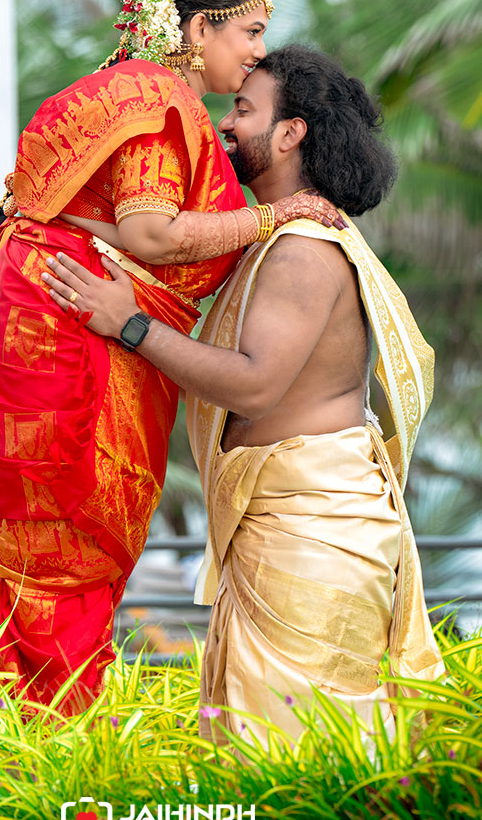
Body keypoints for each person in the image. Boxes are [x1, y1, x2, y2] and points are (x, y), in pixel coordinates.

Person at [0, 0, 340, 710]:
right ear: (198, 29)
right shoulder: (157, 102)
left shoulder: (135, 94)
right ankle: (49, 744)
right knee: (67, 544)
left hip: (34, 315)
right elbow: (151, 234)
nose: (258, 51)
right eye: (251, 31)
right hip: (65, 331)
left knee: (34, 553)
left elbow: (87, 219)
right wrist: (277, 214)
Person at [42, 42, 444, 741]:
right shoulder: (270, 236)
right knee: (262, 760)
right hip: (281, 528)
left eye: (244, 110)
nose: (224, 124)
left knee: (299, 764)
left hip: (312, 535)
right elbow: (160, 240)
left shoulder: (302, 251)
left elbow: (255, 386)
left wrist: (129, 325)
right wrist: (56, 211)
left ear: (290, 134)